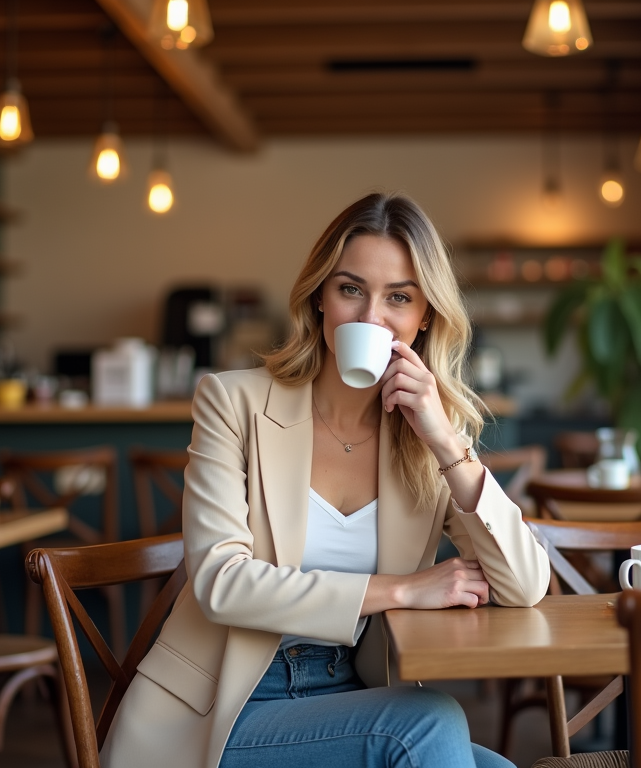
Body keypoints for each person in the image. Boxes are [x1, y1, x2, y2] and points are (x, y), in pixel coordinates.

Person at [101, 192, 550, 768]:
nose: (370, 319)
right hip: (220, 710)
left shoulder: (423, 436)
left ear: (424, 318)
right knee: (427, 725)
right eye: (350, 289)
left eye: (399, 299)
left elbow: (524, 586)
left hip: (348, 696)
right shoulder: (233, 402)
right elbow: (221, 583)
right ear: (319, 296)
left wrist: (444, 441)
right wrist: (402, 590)